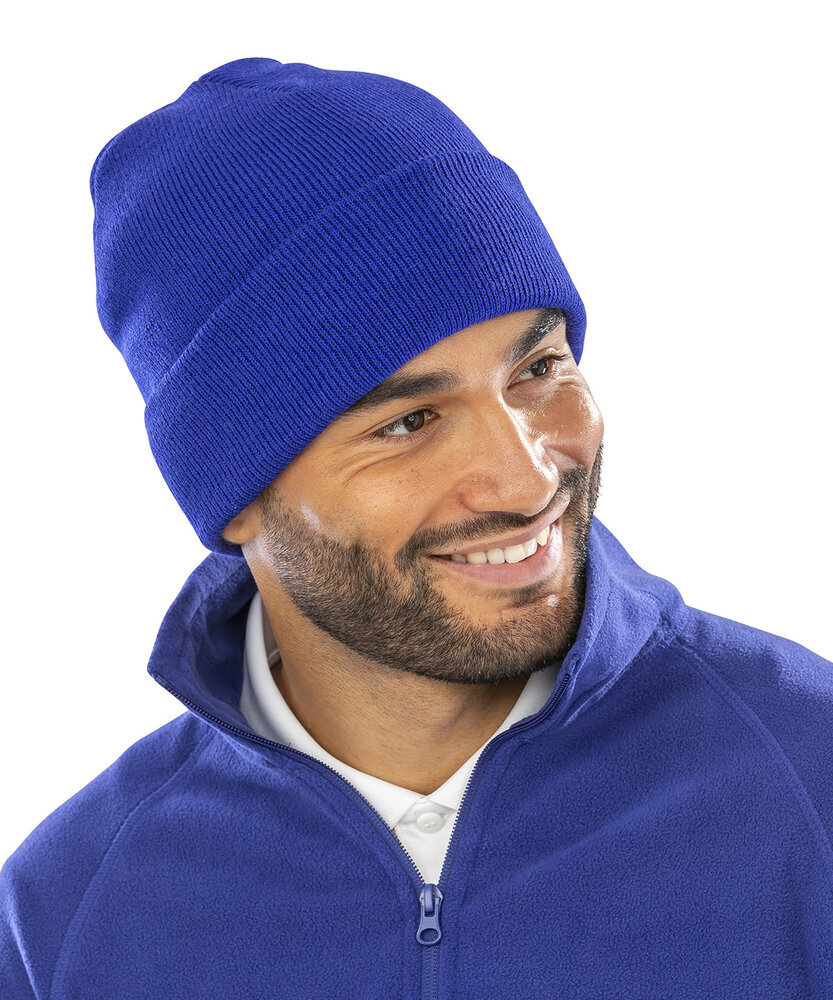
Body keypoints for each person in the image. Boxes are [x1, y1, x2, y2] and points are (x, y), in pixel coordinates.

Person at [1, 56, 831, 999]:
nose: (528, 477)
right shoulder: (70, 918)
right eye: (407, 423)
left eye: (537, 370)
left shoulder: (808, 786)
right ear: (235, 499)